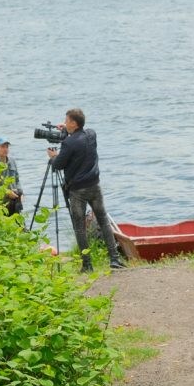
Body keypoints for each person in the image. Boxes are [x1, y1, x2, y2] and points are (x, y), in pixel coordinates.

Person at [48, 108, 125, 273]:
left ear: (74, 123)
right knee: (103, 221)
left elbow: (58, 165)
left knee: (79, 227)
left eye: (67, 121)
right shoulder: (91, 134)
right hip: (95, 186)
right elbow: (77, 141)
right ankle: (114, 259)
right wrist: (66, 131)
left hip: (78, 191)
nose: (65, 122)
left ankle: (87, 264)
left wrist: (53, 156)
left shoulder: (68, 144)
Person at [0, 137, 23, 216]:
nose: (5, 149)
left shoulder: (12, 161)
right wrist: (6, 193)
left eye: (7, 147)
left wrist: (21, 193)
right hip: (0, 205)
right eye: (2, 147)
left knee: (19, 223)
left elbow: (17, 180)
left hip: (15, 202)